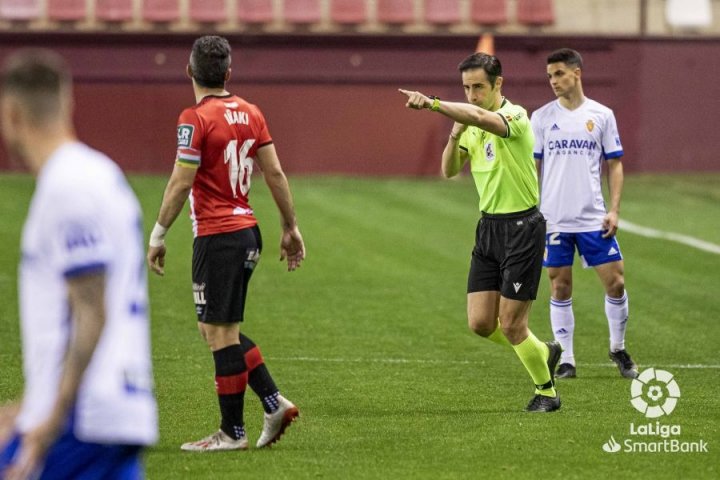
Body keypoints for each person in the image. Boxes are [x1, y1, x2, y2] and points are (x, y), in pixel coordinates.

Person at [0, 50, 157, 479]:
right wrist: (29, 405)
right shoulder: (99, 175)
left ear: (10, 114)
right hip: (109, 414)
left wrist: (50, 415)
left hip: (82, 421)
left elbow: (91, 309)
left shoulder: (68, 187)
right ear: (67, 103)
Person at [146, 35, 305, 451]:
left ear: (189, 72)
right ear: (229, 73)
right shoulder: (252, 113)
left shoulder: (194, 118)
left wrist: (158, 234)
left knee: (219, 333)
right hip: (247, 232)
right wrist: (290, 227)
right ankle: (273, 404)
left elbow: (181, 182)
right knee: (216, 329)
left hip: (217, 237)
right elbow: (275, 174)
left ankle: (232, 432)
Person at [399, 52, 562, 413]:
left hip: (522, 228)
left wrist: (435, 104)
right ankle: (544, 351)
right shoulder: (470, 124)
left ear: (498, 84)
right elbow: (448, 169)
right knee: (480, 323)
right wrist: (455, 131)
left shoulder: (515, 116)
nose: (472, 95)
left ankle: (547, 393)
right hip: (488, 228)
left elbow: (479, 116)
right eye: (467, 88)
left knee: (511, 324)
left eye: (478, 87)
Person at [531, 48, 639, 380]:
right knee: (559, 287)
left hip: (593, 217)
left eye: (559, 73)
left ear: (577, 73)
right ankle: (567, 359)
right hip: (555, 219)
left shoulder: (602, 115)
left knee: (616, 282)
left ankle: (618, 349)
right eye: (549, 75)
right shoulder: (541, 118)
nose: (553, 81)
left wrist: (615, 209)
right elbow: (534, 167)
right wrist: (534, 212)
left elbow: (615, 163)